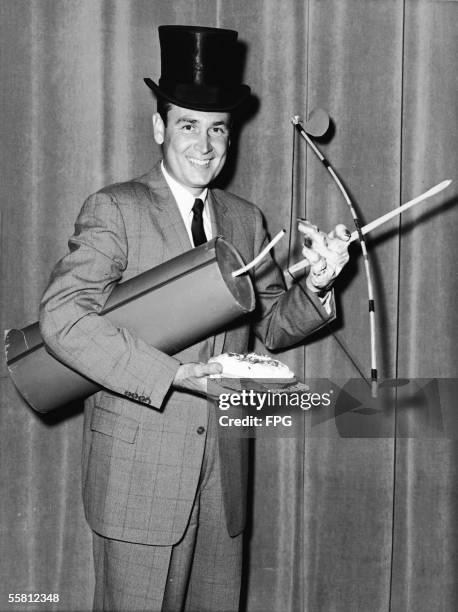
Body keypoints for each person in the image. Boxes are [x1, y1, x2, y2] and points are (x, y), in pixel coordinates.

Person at [39, 25, 350, 612]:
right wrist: (173, 376)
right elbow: (63, 318)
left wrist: (319, 281)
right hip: (138, 478)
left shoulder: (244, 218)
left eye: (217, 129)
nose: (205, 145)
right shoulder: (116, 209)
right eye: (188, 125)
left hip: (223, 478)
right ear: (160, 128)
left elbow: (265, 329)